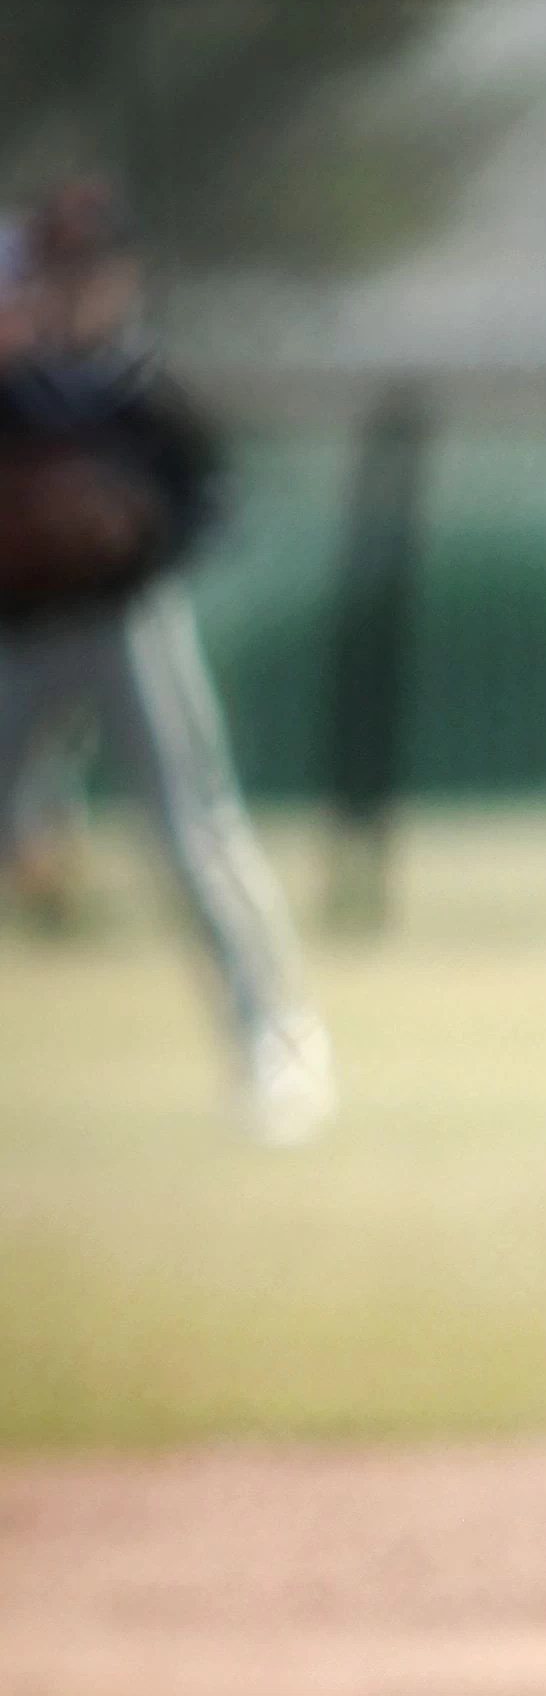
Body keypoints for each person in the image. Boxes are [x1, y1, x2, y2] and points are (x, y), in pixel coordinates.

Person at [0, 179, 333, 1143]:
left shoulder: (143, 395)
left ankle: (274, 1042)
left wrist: (129, 528)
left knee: (195, 837)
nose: (73, 289)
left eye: (88, 269)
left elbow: (209, 508)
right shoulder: (11, 392)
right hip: (18, 635)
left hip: (125, 627)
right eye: (55, 270)